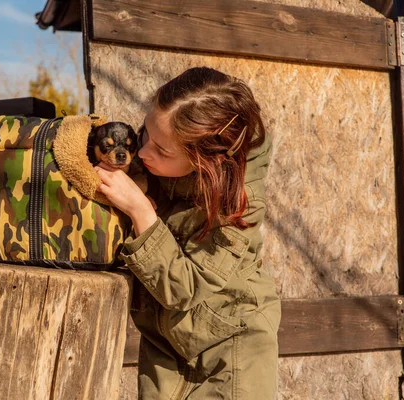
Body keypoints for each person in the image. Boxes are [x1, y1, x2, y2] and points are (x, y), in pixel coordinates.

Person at [95, 66, 280, 399]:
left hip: (230, 351)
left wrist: (140, 211)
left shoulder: (239, 203)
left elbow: (185, 287)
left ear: (205, 162)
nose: (142, 152)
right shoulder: (150, 154)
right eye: (145, 133)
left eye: (163, 151)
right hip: (165, 348)